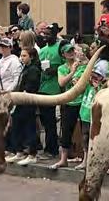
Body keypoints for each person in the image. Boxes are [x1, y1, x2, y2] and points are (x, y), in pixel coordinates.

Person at [50, 42, 86, 169]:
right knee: (66, 130)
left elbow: (85, 83)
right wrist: (72, 72)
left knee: (84, 131)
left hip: (82, 102)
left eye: (72, 50)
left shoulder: (83, 66)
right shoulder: (62, 68)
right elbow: (61, 83)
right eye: (68, 51)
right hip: (68, 102)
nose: (71, 53)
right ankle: (63, 159)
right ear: (63, 54)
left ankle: (85, 159)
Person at [7, 47, 41, 165]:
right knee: (16, 126)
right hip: (20, 102)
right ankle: (19, 152)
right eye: (21, 56)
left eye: (24, 56)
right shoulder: (25, 68)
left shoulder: (34, 69)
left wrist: (24, 94)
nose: (22, 58)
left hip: (28, 102)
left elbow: (31, 86)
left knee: (29, 127)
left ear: (31, 56)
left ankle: (32, 154)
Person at [37, 22, 65, 158]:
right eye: (44, 34)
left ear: (54, 35)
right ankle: (47, 147)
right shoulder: (42, 51)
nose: (45, 36)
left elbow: (66, 65)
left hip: (54, 89)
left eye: (48, 34)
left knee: (50, 121)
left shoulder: (60, 48)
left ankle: (51, 149)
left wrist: (54, 70)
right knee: (44, 120)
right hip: (42, 87)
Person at [78, 60, 108, 170]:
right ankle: (85, 160)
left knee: (95, 141)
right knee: (84, 138)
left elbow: (100, 99)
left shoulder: (102, 88)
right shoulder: (87, 85)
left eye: (98, 76)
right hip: (84, 115)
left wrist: (96, 87)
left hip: (96, 118)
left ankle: (95, 162)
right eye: (93, 75)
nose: (95, 78)